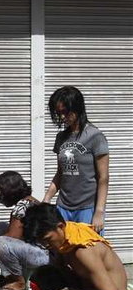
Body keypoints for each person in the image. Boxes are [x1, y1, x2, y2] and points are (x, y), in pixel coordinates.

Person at [43, 86, 109, 233]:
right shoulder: (60, 138)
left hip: (87, 208)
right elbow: (61, 173)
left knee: (88, 252)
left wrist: (99, 212)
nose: (62, 117)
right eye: (58, 113)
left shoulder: (95, 136)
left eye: (65, 112)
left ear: (77, 107)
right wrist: (47, 198)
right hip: (63, 207)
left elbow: (103, 177)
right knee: (64, 252)